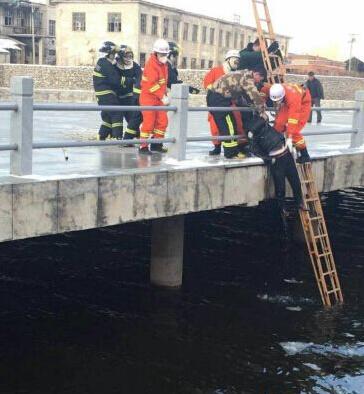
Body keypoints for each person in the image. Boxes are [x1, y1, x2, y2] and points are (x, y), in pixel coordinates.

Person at [248, 116, 306, 212]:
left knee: (281, 186)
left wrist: (268, 159)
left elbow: (256, 150)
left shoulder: (256, 135)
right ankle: (298, 203)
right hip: (284, 155)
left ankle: (283, 207)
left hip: (277, 158)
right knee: (294, 182)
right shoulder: (267, 127)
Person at [207, 69, 266, 159]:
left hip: (216, 98)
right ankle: (231, 154)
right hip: (218, 99)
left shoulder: (242, 74)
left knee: (229, 125)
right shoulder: (247, 78)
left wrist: (248, 105)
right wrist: (262, 111)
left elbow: (239, 94)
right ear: (256, 74)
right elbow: (254, 95)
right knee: (229, 126)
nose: (259, 82)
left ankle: (231, 152)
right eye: (260, 79)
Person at [203, 50, 248, 156]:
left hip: (231, 105)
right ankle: (217, 147)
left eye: (238, 61)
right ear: (228, 60)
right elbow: (207, 84)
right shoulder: (216, 71)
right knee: (215, 128)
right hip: (217, 104)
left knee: (235, 127)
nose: (236, 63)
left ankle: (236, 148)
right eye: (234, 60)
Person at [139, 39, 170, 154]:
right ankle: (143, 147)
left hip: (159, 98)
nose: (164, 56)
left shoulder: (163, 64)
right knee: (148, 123)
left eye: (165, 54)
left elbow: (162, 82)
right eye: (162, 54)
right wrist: (163, 96)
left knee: (162, 122)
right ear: (156, 53)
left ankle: (156, 145)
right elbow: (151, 85)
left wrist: (166, 92)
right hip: (148, 98)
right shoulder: (151, 65)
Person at [269, 83, 312, 164]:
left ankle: (305, 155)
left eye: (278, 100)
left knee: (294, 131)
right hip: (287, 101)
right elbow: (265, 88)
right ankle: (278, 145)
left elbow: (293, 119)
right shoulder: (276, 89)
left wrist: (289, 137)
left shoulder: (293, 98)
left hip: (303, 102)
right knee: (278, 123)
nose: (277, 102)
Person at [93, 41, 123, 140]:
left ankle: (102, 135)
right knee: (116, 113)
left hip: (101, 96)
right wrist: (128, 80)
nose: (114, 56)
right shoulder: (106, 65)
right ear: (108, 54)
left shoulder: (101, 62)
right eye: (113, 54)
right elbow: (115, 81)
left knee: (107, 117)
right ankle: (117, 137)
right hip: (107, 95)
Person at [115, 45, 142, 141]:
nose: (128, 59)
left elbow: (139, 78)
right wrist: (130, 80)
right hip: (116, 97)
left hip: (129, 97)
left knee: (132, 117)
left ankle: (135, 136)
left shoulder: (135, 66)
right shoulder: (115, 66)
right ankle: (115, 137)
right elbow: (115, 80)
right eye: (126, 56)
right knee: (116, 119)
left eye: (130, 56)